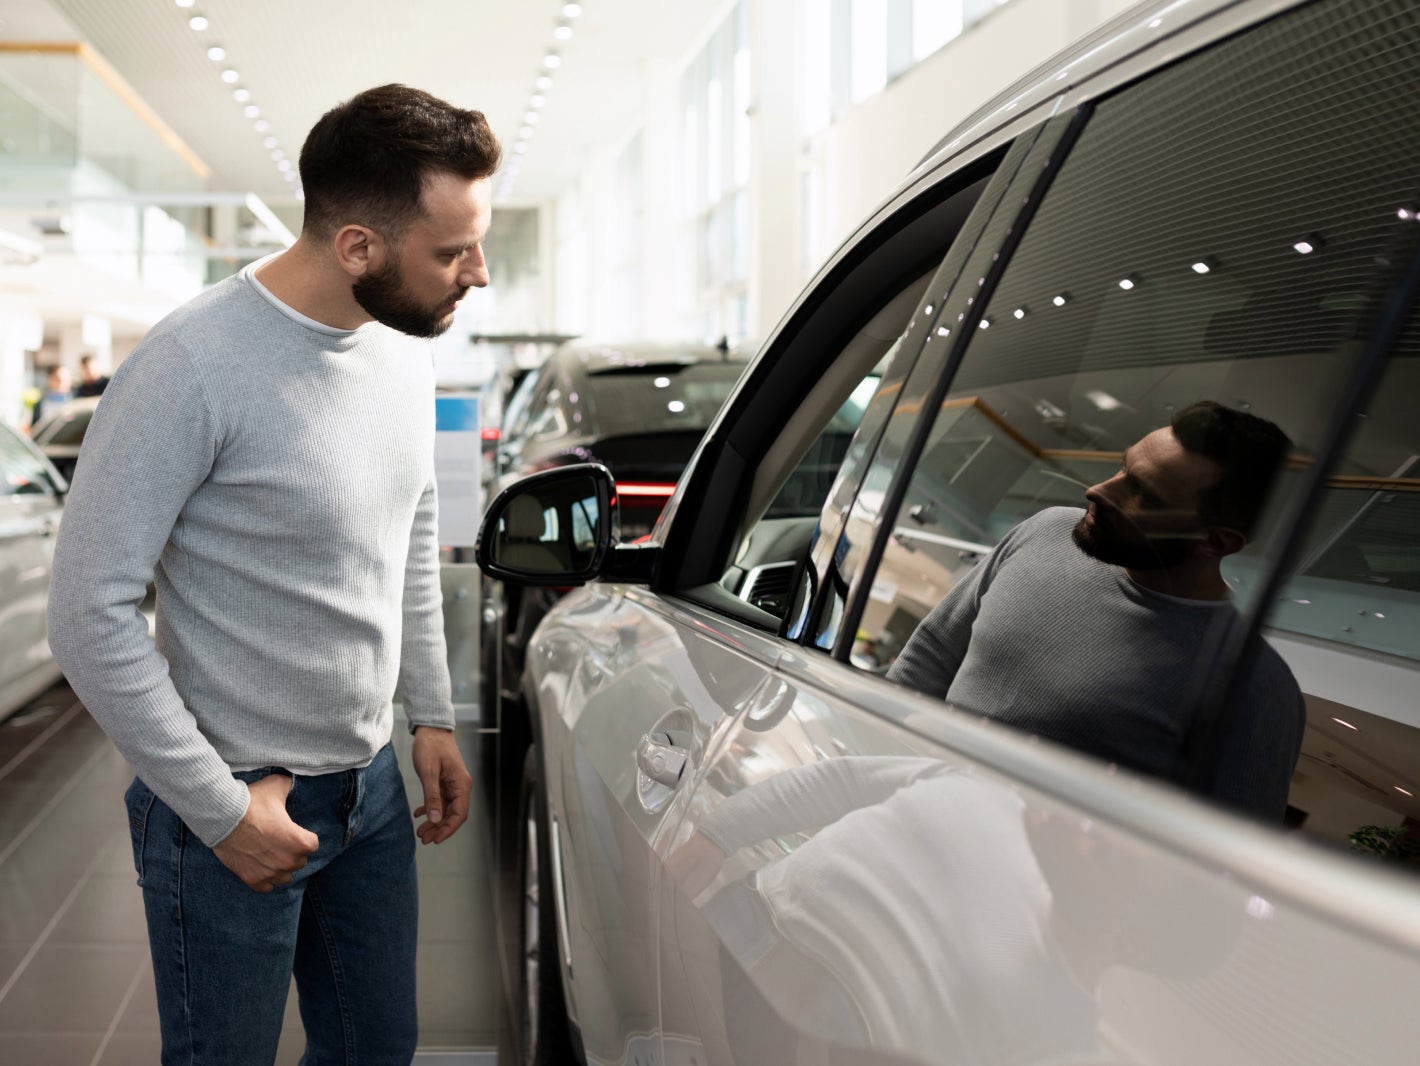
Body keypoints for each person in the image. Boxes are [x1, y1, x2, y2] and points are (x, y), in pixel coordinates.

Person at [47, 84, 499, 1064]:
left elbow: (410, 536)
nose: (480, 271)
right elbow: (88, 613)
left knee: (376, 1051)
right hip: (232, 797)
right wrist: (218, 809)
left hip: (371, 783)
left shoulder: (404, 357)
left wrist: (428, 712)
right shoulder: (189, 366)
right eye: (452, 251)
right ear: (357, 248)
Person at [888, 400, 1305, 820]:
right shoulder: (1044, 531)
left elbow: (1225, 855)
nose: (1099, 490)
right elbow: (931, 653)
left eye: (1142, 493)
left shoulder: (1255, 687)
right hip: (901, 812)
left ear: (1217, 542)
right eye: (1124, 467)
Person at [28, 364, 73, 429]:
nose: (62, 383)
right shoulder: (40, 404)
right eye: (58, 380)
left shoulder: (78, 399)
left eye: (66, 380)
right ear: (49, 379)